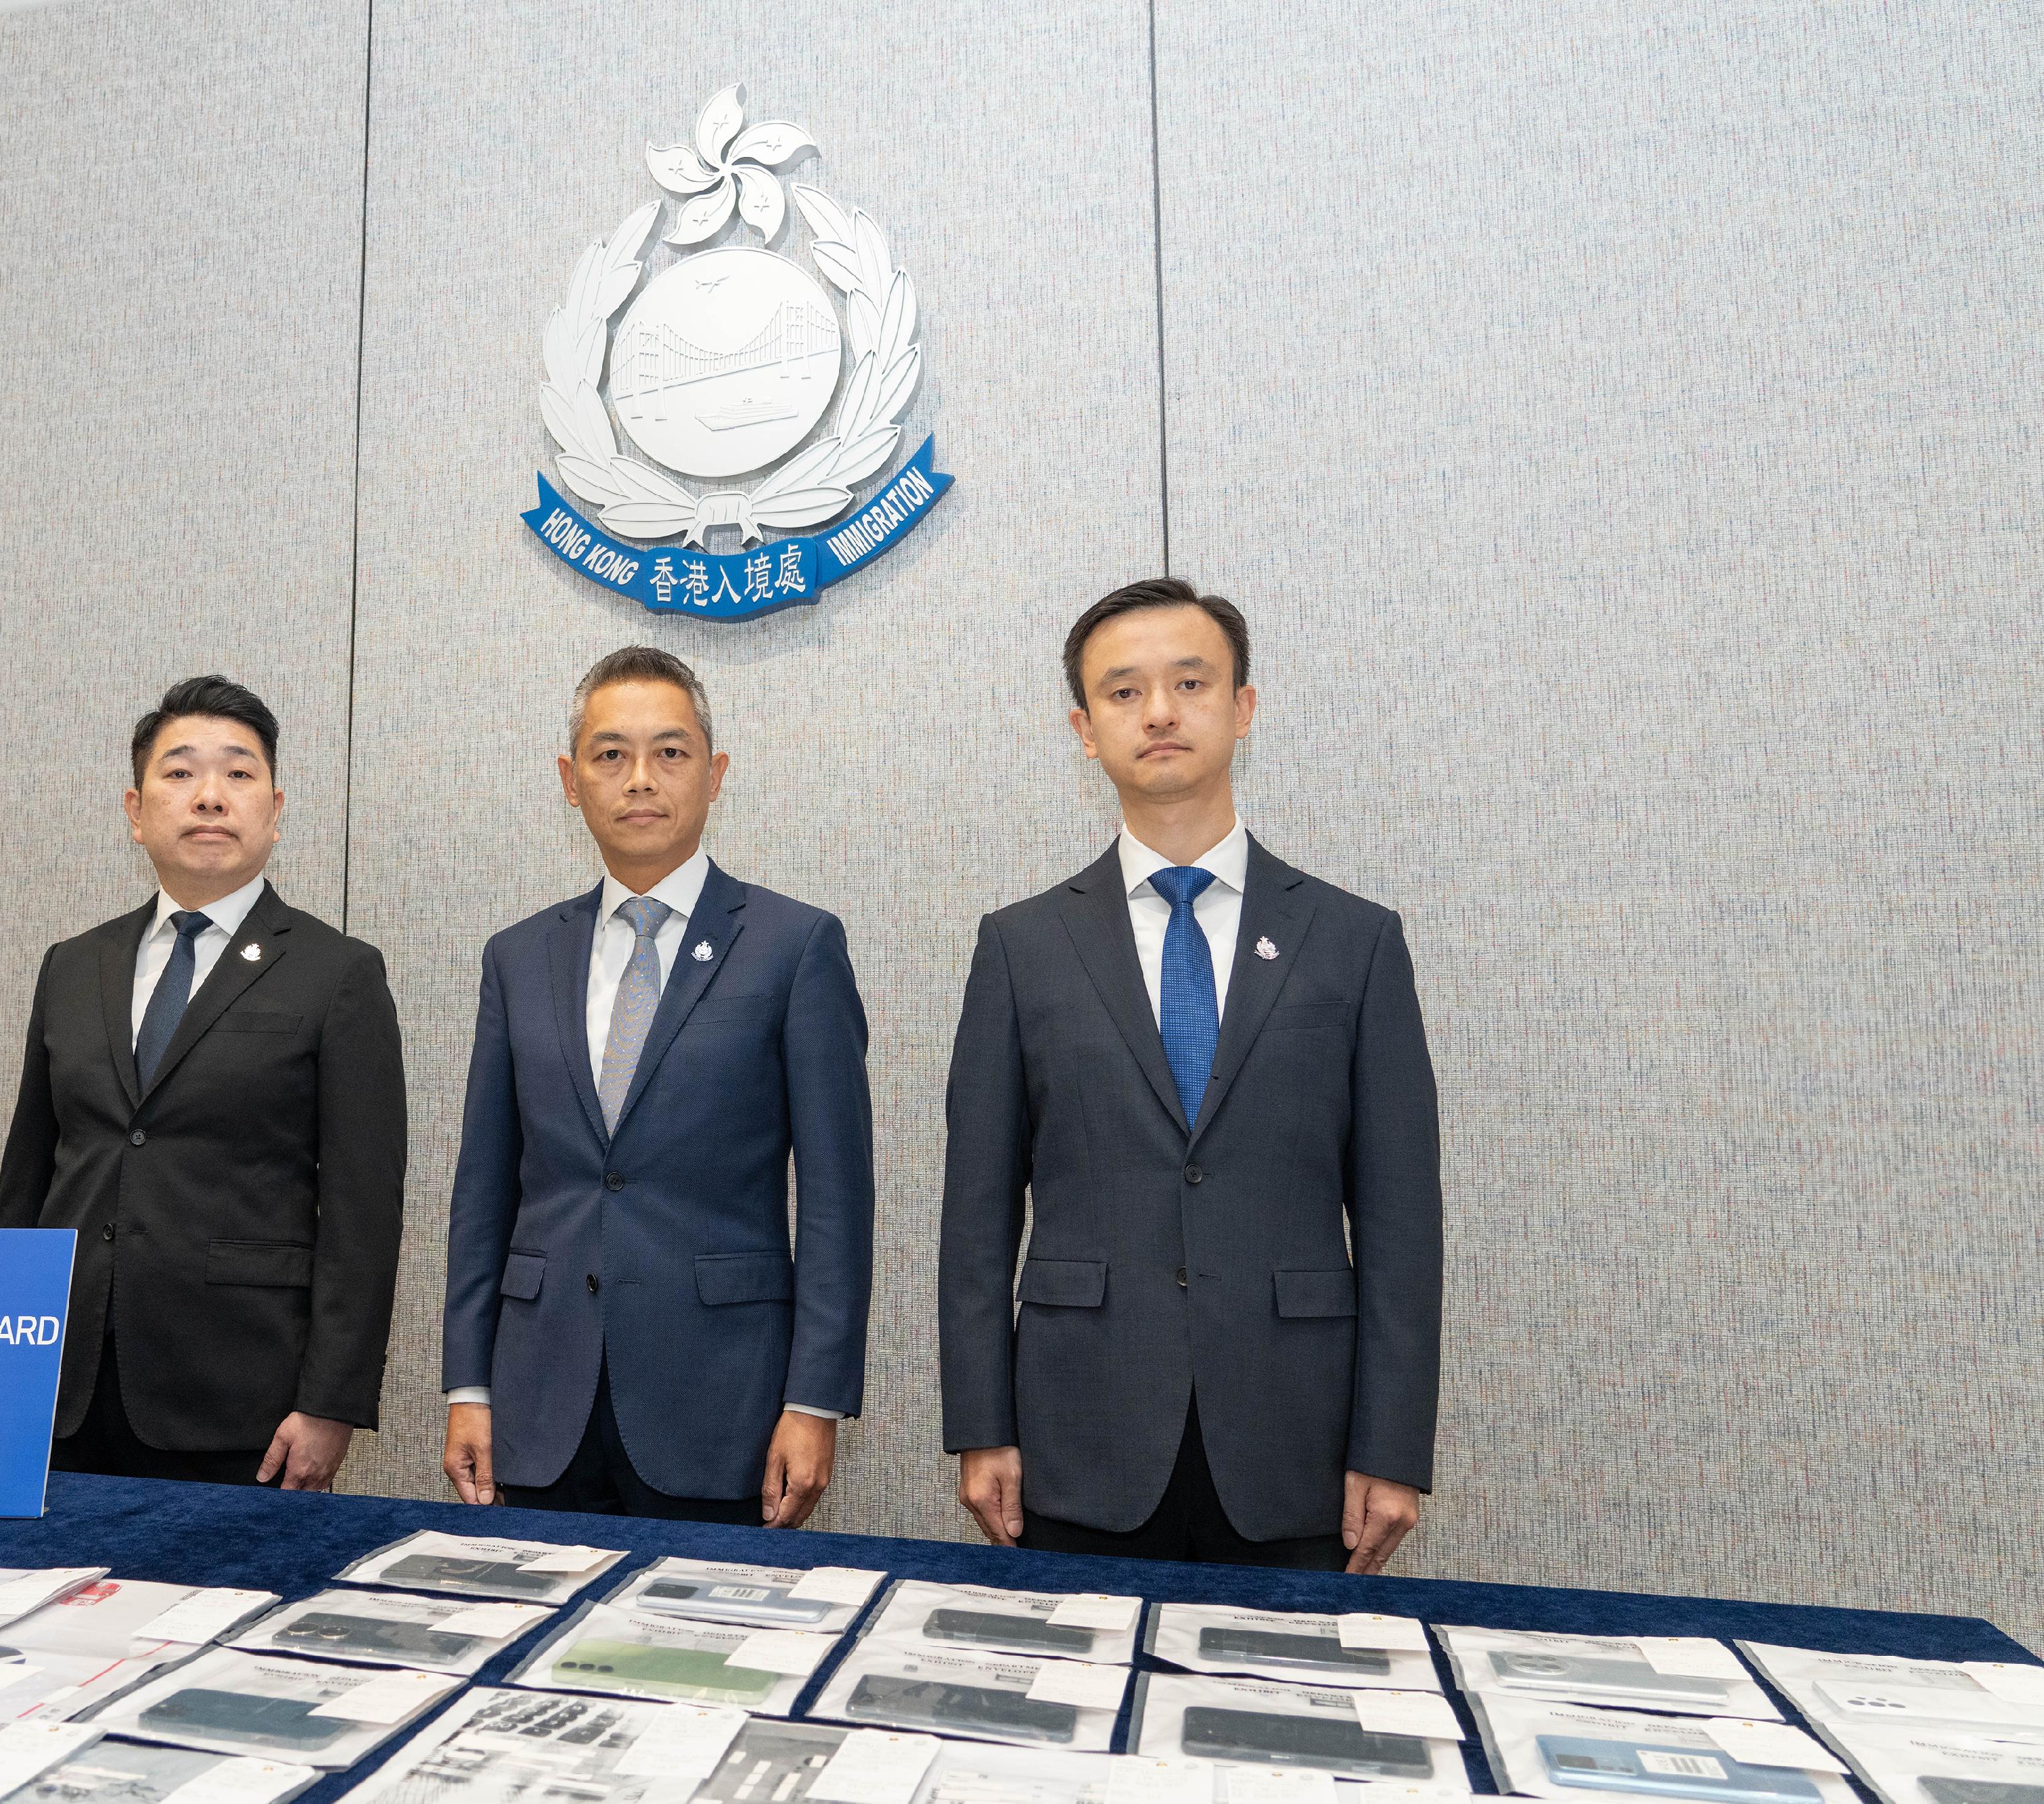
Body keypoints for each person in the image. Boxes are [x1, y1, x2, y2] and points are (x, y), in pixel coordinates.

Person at [938, 579, 1443, 1571]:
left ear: (1243, 708)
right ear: (1085, 729)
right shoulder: (1021, 946)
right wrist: (979, 1422)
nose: (1159, 711)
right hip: (1078, 1428)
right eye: (1123, 692)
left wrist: (1392, 1443)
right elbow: (976, 1212)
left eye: (1189, 682)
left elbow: (1400, 1216)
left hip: (1297, 1433)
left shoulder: (1353, 941)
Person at [439, 646, 874, 1525]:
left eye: (670, 752)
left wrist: (815, 1399)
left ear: (714, 775)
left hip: (723, 1404)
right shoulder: (518, 957)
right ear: (571, 779)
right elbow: (483, 1190)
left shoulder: (794, 946)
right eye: (611, 754)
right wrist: (468, 1380)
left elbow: (836, 1198)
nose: (640, 778)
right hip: (539, 1396)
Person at [0, 675, 405, 1488]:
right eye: (179, 773)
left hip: (242, 1399)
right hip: (59, 1391)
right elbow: (28, 1180)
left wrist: (332, 1401)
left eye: (238, 774)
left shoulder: (337, 974)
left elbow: (364, 1208)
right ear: (135, 810)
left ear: (276, 810)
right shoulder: (74, 966)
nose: (209, 796)